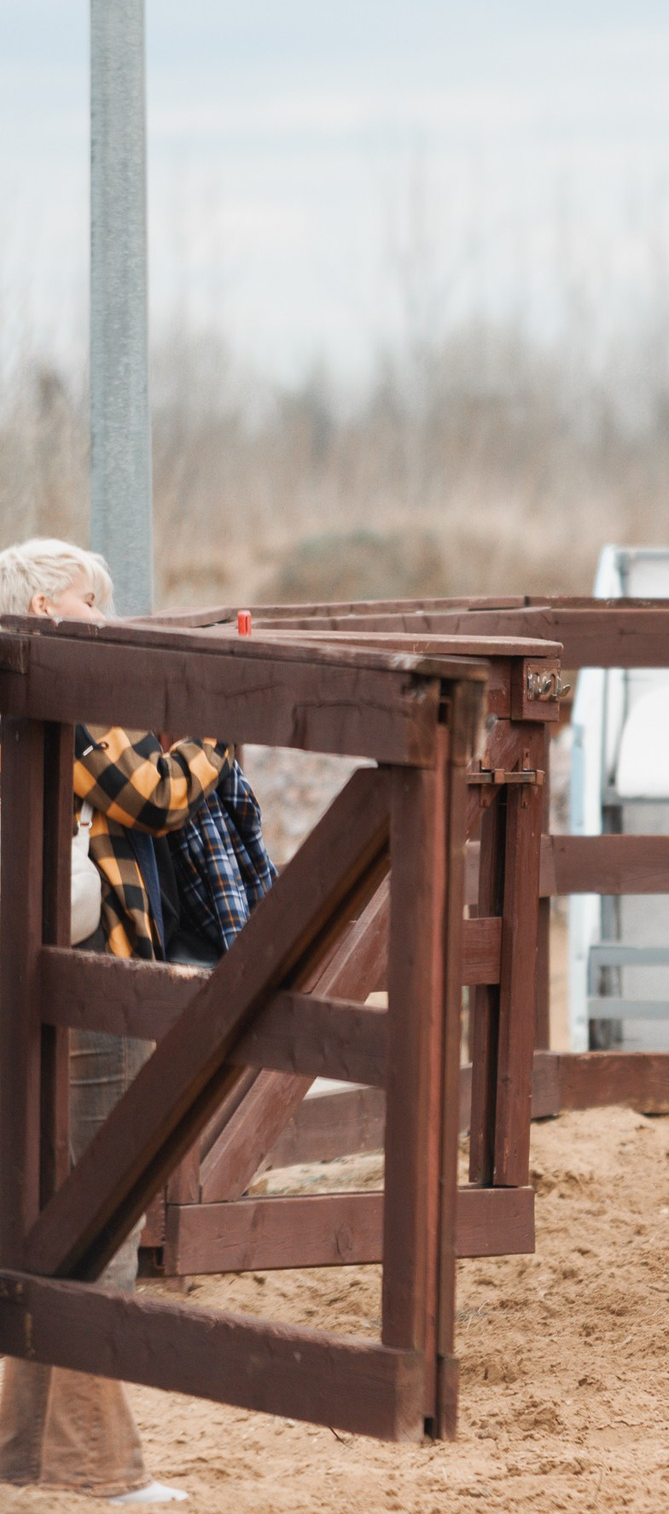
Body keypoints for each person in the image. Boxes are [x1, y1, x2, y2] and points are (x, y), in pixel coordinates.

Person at [0, 539, 209, 1504]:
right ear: (44, 603)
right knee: (99, 1214)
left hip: (33, 971)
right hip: (85, 971)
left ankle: (26, 1448)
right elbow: (148, 792)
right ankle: (97, 1467)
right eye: (91, 602)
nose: (105, 619)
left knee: (55, 1216)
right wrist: (214, 736)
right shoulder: (60, 685)